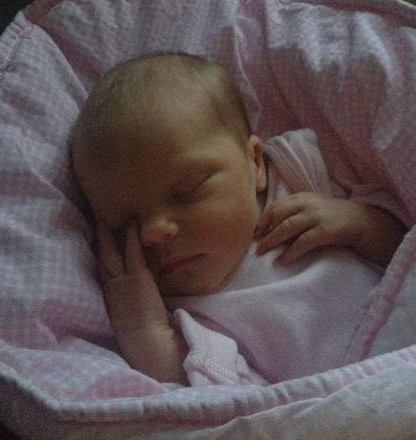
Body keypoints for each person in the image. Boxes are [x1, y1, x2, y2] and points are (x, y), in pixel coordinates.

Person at [72, 53, 407, 386]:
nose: (152, 232)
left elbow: (403, 243)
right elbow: (219, 403)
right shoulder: (175, 316)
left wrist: (362, 223)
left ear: (255, 163)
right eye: (123, 223)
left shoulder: (296, 174)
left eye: (189, 189)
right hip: (347, 402)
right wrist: (145, 332)